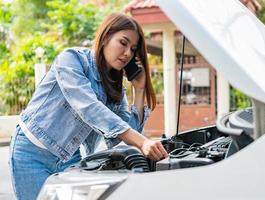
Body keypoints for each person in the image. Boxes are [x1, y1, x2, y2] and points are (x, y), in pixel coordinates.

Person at [9, 13, 168, 200]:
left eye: (133, 49)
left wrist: (139, 90)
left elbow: (127, 133)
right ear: (106, 36)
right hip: (32, 154)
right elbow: (88, 107)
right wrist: (142, 142)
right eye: (123, 43)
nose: (127, 54)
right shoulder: (71, 59)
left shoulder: (114, 88)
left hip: (70, 159)